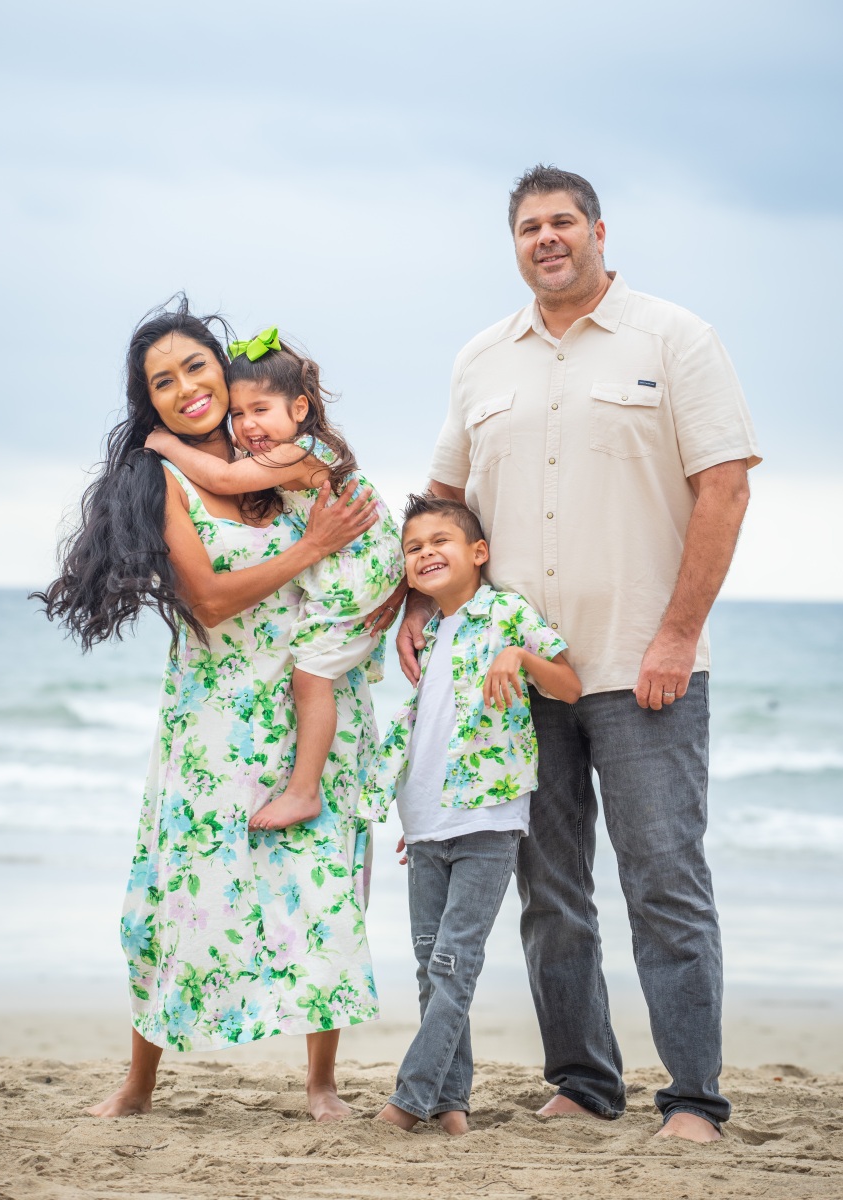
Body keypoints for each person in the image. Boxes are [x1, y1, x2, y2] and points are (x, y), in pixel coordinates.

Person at [397, 167, 762, 1142]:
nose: (546, 238)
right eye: (528, 227)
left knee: (662, 884)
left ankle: (693, 1098)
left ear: (599, 231)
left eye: (562, 222)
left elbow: (724, 488)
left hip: (645, 671)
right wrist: (418, 607)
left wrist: (675, 633)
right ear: (513, 244)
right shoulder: (481, 359)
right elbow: (442, 499)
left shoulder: (674, 338)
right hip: (516, 683)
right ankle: (585, 1081)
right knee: (550, 892)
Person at [34, 299, 393, 1121]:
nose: (186, 388)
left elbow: (360, 537)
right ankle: (139, 1083)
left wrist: (394, 600)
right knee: (181, 889)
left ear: (224, 374)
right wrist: (311, 548)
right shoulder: (158, 477)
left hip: (313, 701)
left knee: (321, 888)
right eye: (162, 382)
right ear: (148, 400)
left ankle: (322, 1083)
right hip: (217, 720)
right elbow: (208, 599)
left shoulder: (269, 452)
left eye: (196, 367)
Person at [361, 494, 581, 1134]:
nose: (425, 553)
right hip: (426, 826)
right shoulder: (430, 632)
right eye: (413, 547)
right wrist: (415, 812)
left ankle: (408, 1101)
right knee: (430, 969)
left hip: (487, 822)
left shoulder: (505, 613)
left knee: (454, 965)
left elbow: (568, 685)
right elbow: (431, 735)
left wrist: (520, 658)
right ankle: (451, 1104)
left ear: (478, 553)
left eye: (440, 541)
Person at [145, 325, 405, 832]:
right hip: (364, 559)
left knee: (311, 676)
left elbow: (222, 479)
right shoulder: (288, 453)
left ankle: (304, 791)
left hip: (355, 564)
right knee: (318, 671)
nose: (247, 425)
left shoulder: (297, 452)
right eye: (239, 414)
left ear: (300, 409)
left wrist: (165, 443)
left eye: (260, 410)